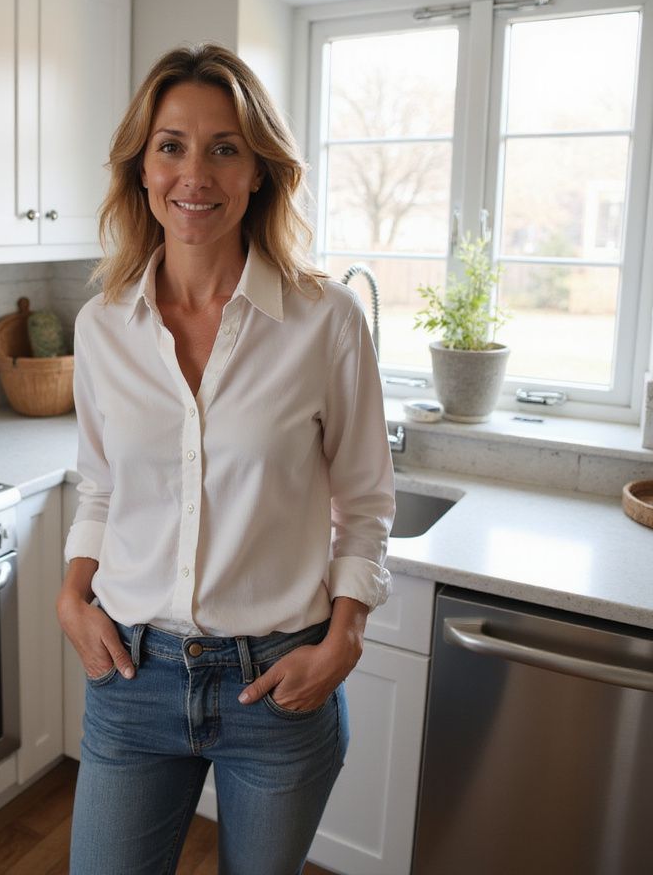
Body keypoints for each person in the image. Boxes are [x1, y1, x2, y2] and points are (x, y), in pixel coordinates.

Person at [57, 43, 395, 875]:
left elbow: (365, 502)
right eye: (171, 145)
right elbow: (99, 484)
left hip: (278, 688)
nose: (194, 175)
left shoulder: (327, 321)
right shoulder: (103, 324)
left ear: (259, 173)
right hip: (133, 678)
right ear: (142, 167)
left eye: (224, 148)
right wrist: (72, 597)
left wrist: (344, 640)